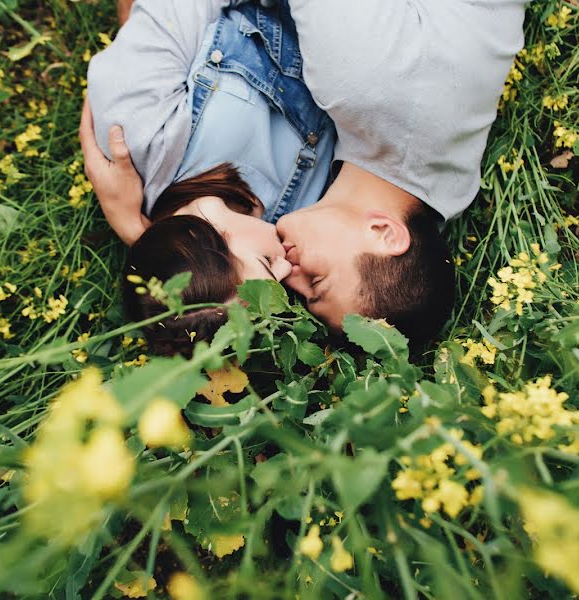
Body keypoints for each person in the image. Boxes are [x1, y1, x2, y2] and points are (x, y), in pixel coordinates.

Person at [82, 0, 336, 353]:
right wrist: (136, 232)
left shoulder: (138, 140)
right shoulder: (298, 226)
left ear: (204, 233)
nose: (288, 270)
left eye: (266, 264)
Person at [274, 0, 528, 346]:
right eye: (317, 283)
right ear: (385, 233)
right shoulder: (357, 87)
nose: (288, 276)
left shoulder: (447, 195)